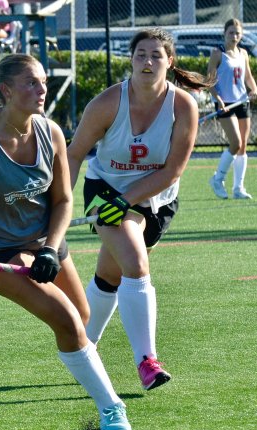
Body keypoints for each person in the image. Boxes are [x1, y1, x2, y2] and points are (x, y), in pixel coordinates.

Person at [0, 53, 131, 430]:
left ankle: (88, 374)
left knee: (81, 321)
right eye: (31, 82)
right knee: (67, 321)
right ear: (6, 90)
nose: (42, 89)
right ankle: (111, 409)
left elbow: (63, 200)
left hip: (44, 242)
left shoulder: (50, 133)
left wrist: (51, 247)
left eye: (43, 81)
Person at [67, 28, 214, 391]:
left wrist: (128, 199)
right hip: (105, 189)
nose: (147, 62)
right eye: (140, 55)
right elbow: (72, 155)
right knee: (135, 261)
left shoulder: (183, 106)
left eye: (156, 56)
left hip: (157, 196)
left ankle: (82, 344)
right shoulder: (106, 104)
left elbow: (173, 170)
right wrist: (58, 209)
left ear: (169, 61)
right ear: (131, 60)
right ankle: (147, 362)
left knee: (112, 272)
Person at [207, 18, 257, 200]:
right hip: (225, 104)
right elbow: (209, 82)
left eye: (237, 33)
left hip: (242, 102)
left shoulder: (244, 53)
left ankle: (238, 188)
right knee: (235, 143)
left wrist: (254, 89)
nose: (234, 36)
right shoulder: (217, 53)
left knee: (243, 147)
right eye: (231, 32)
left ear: (241, 35)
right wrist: (218, 99)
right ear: (224, 34)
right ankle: (217, 179)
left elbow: (248, 77)